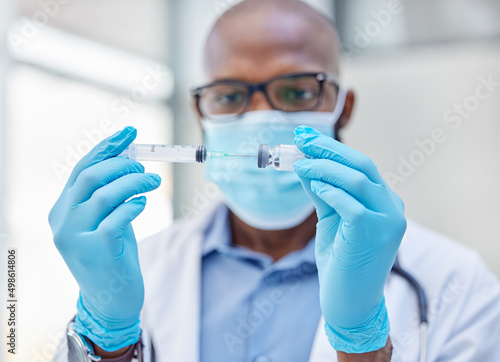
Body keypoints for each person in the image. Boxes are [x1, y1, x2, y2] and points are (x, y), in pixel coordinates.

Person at [51, 1, 500, 361]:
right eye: (229, 95)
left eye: (296, 91)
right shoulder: (134, 272)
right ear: (201, 115)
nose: (262, 118)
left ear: (342, 108)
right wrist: (109, 342)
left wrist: (363, 347)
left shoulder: (455, 283)